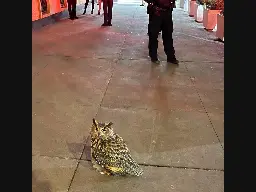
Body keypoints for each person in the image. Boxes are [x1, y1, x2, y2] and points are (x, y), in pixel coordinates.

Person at [145, 0, 179, 64]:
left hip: (167, 12)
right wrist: (152, 3)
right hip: (155, 12)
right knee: (153, 35)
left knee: (168, 35)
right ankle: (153, 56)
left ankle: (170, 57)